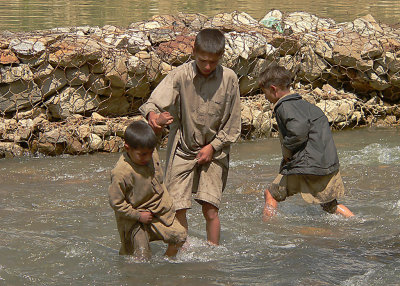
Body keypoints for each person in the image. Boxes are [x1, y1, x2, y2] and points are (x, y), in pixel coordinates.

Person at [139, 28, 241, 245]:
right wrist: (154, 117)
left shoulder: (230, 79)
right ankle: (181, 253)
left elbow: (233, 126)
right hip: (183, 149)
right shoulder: (180, 75)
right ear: (193, 51)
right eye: (202, 60)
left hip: (215, 151)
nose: (207, 66)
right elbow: (152, 103)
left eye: (213, 62)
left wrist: (213, 147)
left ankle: (213, 254)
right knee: (178, 208)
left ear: (221, 57)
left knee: (211, 209)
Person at [258, 64, 354, 219]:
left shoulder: (284, 106)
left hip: (307, 165)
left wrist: (288, 152)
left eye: (265, 92)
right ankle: (357, 221)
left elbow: (299, 130)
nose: (265, 97)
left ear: (274, 89)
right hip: (325, 164)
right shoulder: (305, 105)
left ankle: (268, 232)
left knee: (271, 194)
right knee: (329, 205)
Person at [108, 120, 187, 259]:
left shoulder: (150, 152)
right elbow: (116, 203)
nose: (148, 157)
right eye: (142, 154)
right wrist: (138, 215)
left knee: (180, 237)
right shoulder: (121, 172)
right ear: (127, 148)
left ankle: (164, 265)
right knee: (142, 257)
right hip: (134, 217)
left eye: (150, 152)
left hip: (158, 211)